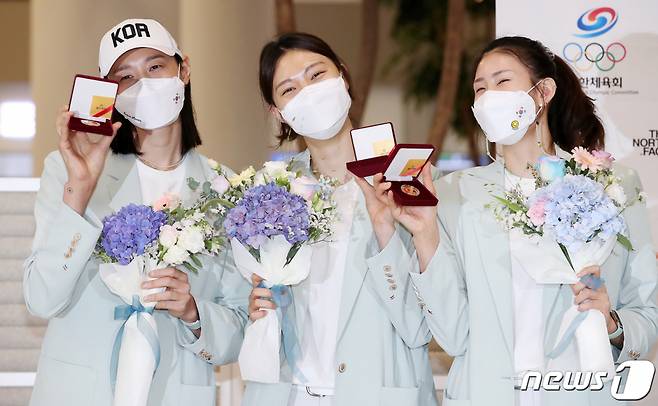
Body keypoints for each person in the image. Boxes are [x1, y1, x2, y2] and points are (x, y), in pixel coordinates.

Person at [370, 36, 658, 406]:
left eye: (502, 81)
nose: (489, 96)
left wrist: (612, 325)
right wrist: (425, 234)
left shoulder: (611, 185)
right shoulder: (457, 193)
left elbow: (647, 311)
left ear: (543, 91)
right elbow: (454, 336)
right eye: (479, 88)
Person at [23, 19, 249, 406]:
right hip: (79, 391)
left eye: (155, 67)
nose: (143, 83)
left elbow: (235, 331)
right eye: (125, 76)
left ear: (184, 69)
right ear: (110, 92)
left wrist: (194, 312)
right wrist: (81, 188)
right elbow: (42, 300)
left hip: (176, 391)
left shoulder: (223, 188)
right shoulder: (66, 171)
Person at [245, 32, 438, 406]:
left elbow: (422, 325)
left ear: (343, 76)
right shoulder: (268, 194)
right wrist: (254, 305)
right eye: (289, 89)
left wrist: (385, 235)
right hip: (290, 394)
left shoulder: (408, 179)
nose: (308, 92)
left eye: (316, 75)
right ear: (277, 112)